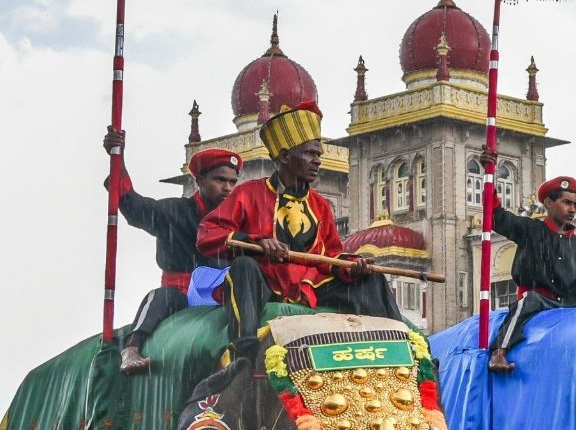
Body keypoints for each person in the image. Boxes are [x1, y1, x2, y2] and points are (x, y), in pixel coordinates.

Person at [197, 101, 400, 357]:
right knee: (244, 267)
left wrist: (352, 264)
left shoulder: (321, 205)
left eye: (319, 155)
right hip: (266, 283)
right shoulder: (247, 194)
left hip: (311, 286)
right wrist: (256, 243)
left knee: (372, 279)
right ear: (284, 156)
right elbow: (207, 233)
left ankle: (401, 344)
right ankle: (244, 351)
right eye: (310, 154)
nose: (317, 161)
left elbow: (331, 257)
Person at [102, 128, 240, 374]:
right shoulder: (174, 211)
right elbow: (133, 206)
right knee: (160, 297)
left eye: (232, 182)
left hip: (223, 294)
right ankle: (132, 348)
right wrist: (118, 158)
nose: (228, 188)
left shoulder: (240, 220)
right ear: (199, 181)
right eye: (220, 180)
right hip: (179, 293)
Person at [487, 176, 576, 373]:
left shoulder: (574, 245)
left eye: (575, 204)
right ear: (548, 203)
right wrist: (489, 182)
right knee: (528, 301)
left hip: (565, 303)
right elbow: (497, 217)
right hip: (538, 299)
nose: (572, 209)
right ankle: (499, 352)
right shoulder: (530, 229)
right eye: (566, 203)